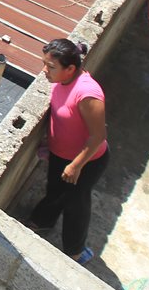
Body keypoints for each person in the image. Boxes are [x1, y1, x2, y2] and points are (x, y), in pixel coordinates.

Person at [28, 38, 108, 266]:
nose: (45, 71)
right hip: (60, 154)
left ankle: (75, 250)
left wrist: (76, 166)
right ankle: (41, 220)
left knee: (76, 204)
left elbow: (98, 136)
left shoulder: (87, 94)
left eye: (51, 67)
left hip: (87, 161)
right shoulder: (61, 80)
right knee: (54, 191)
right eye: (45, 64)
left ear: (70, 69)